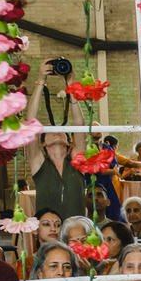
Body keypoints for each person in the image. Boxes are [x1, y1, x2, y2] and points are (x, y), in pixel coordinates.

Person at [25, 61, 89, 219]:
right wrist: (41, 80)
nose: (57, 131)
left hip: (76, 231)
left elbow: (79, 124)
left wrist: (70, 84)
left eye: (62, 130)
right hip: (49, 231)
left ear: (69, 143)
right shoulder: (38, 163)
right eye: (51, 130)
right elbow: (30, 121)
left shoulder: (76, 161)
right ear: (43, 143)